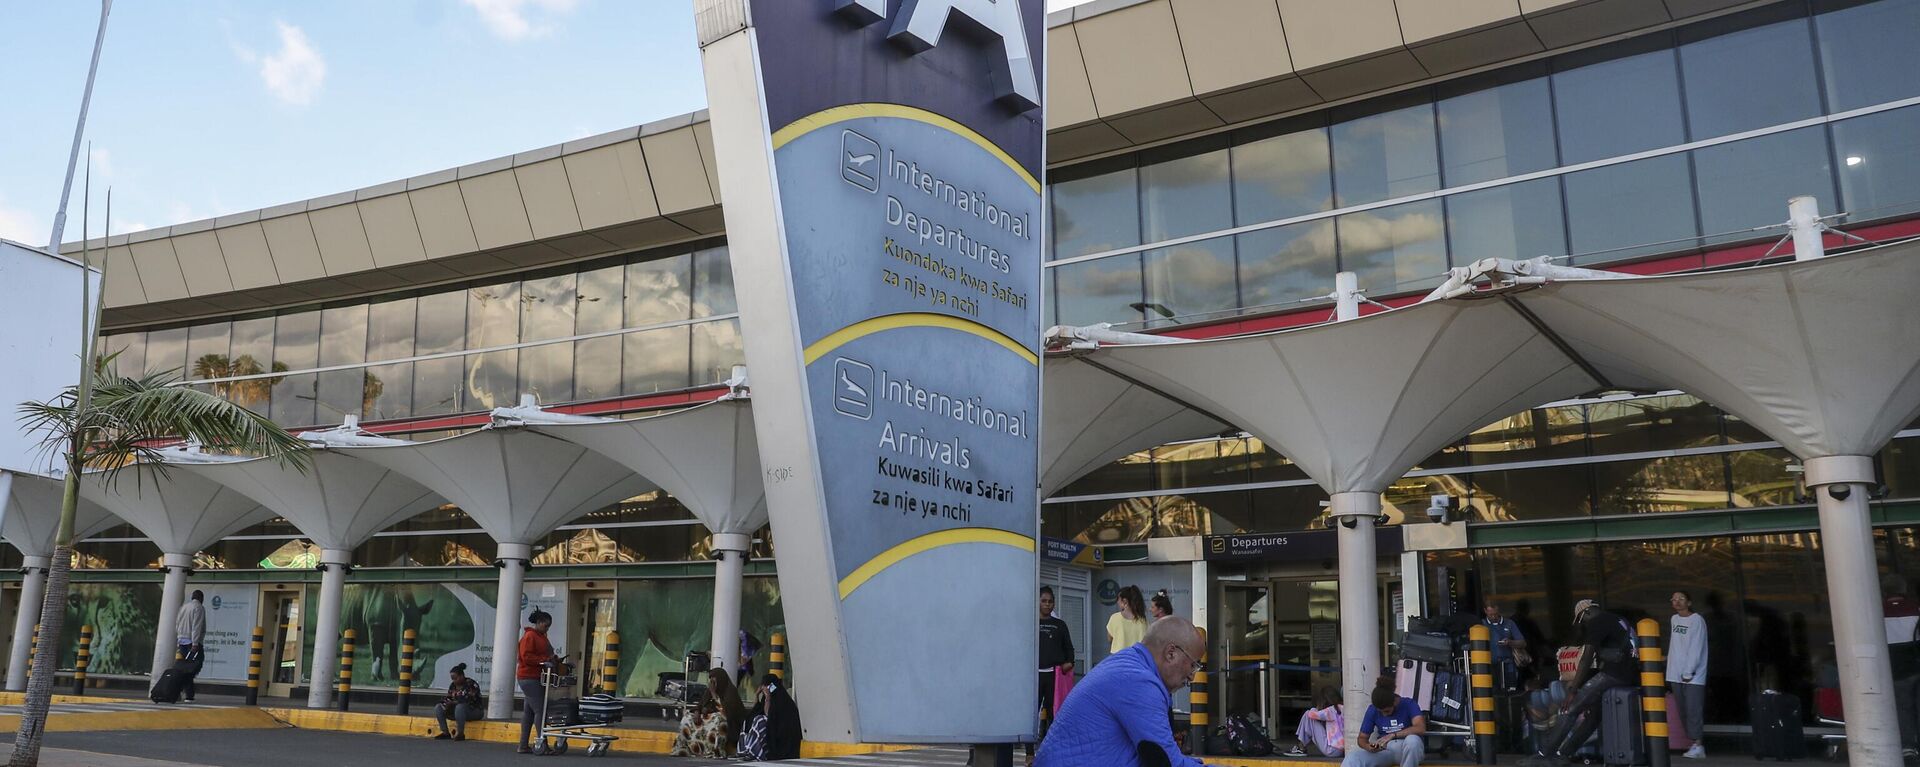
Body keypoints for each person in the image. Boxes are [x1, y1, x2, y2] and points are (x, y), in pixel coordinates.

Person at [1035, 616, 1206, 767]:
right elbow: (1167, 762)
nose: (1192, 677)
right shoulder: (1139, 682)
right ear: (1171, 653)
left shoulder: (1129, 664)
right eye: (1193, 665)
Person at [1537, 599, 1636, 764]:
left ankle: (1544, 754)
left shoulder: (1597, 622)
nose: (1583, 624)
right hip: (1629, 674)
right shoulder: (1619, 619)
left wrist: (1573, 690)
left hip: (1613, 673)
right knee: (1593, 716)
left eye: (1582, 619)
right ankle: (1564, 754)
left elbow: (1586, 657)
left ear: (1587, 612)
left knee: (1570, 709)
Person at [1035, 586, 1077, 759]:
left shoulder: (1060, 624)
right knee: (1031, 714)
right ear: (1037, 601)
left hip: (1055, 676)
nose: (1047, 604)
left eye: (1050, 601)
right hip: (1035, 675)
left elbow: (1069, 647)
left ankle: (1052, 750)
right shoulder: (1031, 621)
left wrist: (1069, 662)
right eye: (1044, 601)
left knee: (1054, 713)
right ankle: (1030, 753)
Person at [1667, 591, 1708, 759]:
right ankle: (1693, 744)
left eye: (1681, 599)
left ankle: (1698, 745)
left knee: (1693, 710)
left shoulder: (1696, 620)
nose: (1677, 602)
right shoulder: (1674, 619)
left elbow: (1696, 647)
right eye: (1674, 599)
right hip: (1675, 673)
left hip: (1693, 675)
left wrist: (1688, 671)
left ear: (1689, 602)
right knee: (1683, 710)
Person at [1343, 682, 1425, 767]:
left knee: (1413, 740)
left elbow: (1420, 728)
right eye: (1380, 712)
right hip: (1385, 750)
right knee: (1353, 757)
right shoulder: (1372, 709)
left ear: (1395, 702)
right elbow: (1362, 738)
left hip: (1406, 749)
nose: (1384, 714)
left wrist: (1393, 735)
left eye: (1387, 711)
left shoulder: (1409, 704)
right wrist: (1368, 747)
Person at [671, 667, 745, 758]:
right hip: (710, 720)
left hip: (730, 724)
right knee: (687, 717)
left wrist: (714, 694)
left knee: (718, 718)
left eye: (714, 680)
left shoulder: (730, 692)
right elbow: (701, 703)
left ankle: (714, 750)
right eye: (710, 679)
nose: (712, 682)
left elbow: (725, 712)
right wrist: (697, 711)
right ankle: (683, 749)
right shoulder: (709, 691)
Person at [1885, 575, 1920, 759]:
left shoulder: (1876, 610)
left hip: (1896, 668)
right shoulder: (1916, 608)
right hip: (1916, 664)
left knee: (1903, 708)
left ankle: (1908, 746)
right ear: (1904, 590)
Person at [515, 609, 555, 754]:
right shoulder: (530, 636)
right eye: (545, 626)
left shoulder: (541, 636)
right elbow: (527, 657)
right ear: (538, 623)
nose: (547, 628)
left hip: (535, 677)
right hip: (529, 677)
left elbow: (549, 652)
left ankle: (523, 745)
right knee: (540, 710)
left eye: (549, 626)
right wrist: (544, 661)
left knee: (529, 712)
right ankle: (542, 743)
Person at [737, 674, 802, 761]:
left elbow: (769, 714)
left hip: (782, 735)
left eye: (767, 685)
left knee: (759, 720)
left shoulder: (781, 699)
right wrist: (757, 695)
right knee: (749, 720)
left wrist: (768, 697)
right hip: (773, 726)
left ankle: (755, 752)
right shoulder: (767, 697)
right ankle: (744, 750)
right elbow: (756, 710)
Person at [1285, 685, 1345, 757]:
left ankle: (1301, 747)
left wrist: (1315, 708)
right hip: (1343, 750)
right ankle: (1300, 746)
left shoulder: (1331, 710)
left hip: (1331, 750)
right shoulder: (1342, 708)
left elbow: (1311, 715)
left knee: (1308, 715)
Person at [1483, 600, 1527, 693]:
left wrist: (1510, 642)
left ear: (1498, 610)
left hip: (1509, 666)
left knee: (1511, 693)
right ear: (1485, 611)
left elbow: (1522, 643)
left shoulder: (1509, 623)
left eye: (1495, 613)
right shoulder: (1481, 624)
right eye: (1491, 614)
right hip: (1490, 667)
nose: (1493, 616)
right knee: (1493, 694)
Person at [434, 663, 483, 741]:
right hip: (457, 712)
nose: (454, 681)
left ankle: (460, 733)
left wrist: (452, 703)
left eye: (455, 678)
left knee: (460, 707)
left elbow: (467, 701)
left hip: (473, 710)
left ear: (462, 676)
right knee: (438, 707)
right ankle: (445, 733)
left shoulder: (471, 684)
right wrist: (445, 704)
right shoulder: (453, 686)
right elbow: (449, 697)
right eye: (452, 679)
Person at [175, 589, 206, 702]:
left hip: (182, 642)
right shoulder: (199, 608)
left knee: (184, 668)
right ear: (201, 598)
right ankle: (188, 693)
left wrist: (178, 639)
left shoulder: (184, 607)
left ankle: (186, 692)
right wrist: (195, 643)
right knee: (194, 666)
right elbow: (196, 627)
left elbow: (177, 624)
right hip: (191, 643)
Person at [1108, 585, 1149, 654]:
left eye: (1118, 599)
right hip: (1138, 659)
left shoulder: (1115, 618)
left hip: (1119, 659)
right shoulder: (1143, 620)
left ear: (1125, 601)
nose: (1117, 602)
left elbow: (1110, 639)